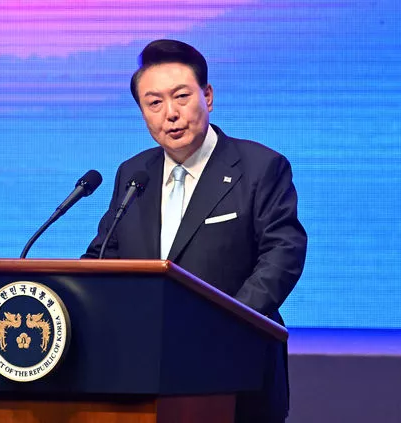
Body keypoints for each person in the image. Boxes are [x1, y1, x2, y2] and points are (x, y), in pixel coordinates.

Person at [83, 39, 307, 423]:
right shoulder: (134, 174)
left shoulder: (260, 167)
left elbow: (282, 254)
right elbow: (105, 254)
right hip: (144, 372)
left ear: (208, 96)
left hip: (235, 367)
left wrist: (227, 322)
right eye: (154, 103)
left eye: (181, 97)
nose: (170, 114)